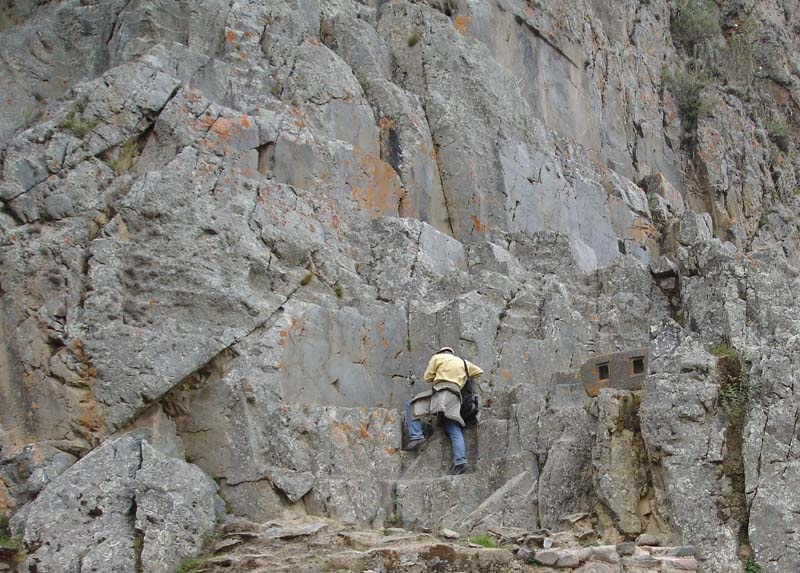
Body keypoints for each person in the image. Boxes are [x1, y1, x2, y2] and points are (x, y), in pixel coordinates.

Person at [404, 347, 484, 475]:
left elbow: (427, 377)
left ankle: (416, 436)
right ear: (452, 353)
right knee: (453, 427)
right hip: (455, 396)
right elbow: (479, 372)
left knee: (412, 405)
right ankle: (461, 462)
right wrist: (462, 377)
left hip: (441, 392)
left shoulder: (437, 358)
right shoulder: (463, 362)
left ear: (441, 352)